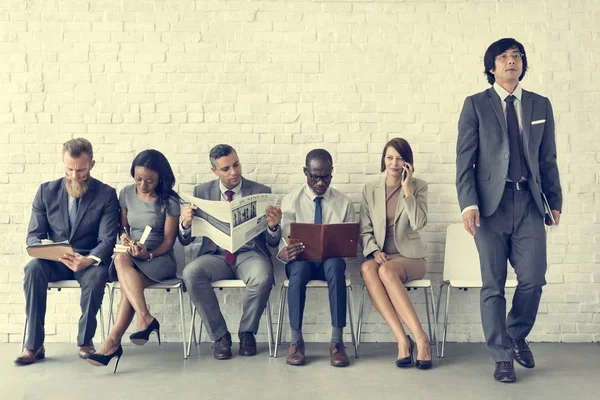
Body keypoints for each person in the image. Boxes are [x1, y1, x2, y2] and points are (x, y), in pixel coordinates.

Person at [456, 38, 562, 383]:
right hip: (490, 208)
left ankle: (516, 333)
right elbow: (465, 161)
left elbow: (548, 158)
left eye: (516, 56)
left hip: (529, 203)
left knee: (533, 279)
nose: (511, 61)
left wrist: (554, 200)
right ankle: (501, 357)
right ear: (492, 67)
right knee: (494, 285)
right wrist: (468, 204)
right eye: (503, 57)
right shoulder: (475, 105)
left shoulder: (540, 105)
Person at [15, 138, 119, 366]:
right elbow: (33, 235)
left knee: (98, 276)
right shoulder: (46, 191)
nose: (74, 175)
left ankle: (85, 342)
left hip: (87, 259)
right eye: (69, 169)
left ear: (91, 164)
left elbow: (107, 239)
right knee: (33, 269)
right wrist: (47, 249)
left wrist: (89, 259)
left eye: (80, 170)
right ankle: (33, 345)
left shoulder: (107, 194)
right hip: (56, 259)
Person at [179, 144, 282, 360]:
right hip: (216, 255)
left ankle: (247, 333)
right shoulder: (201, 192)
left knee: (262, 276)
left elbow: (272, 243)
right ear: (214, 171)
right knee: (191, 273)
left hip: (250, 254)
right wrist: (186, 224)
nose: (233, 172)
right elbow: (186, 240)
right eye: (226, 169)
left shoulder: (261, 191)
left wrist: (273, 226)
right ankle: (220, 337)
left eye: (236, 165)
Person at [86, 150, 181, 372]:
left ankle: (111, 343)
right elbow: (123, 227)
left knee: (127, 287)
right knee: (121, 259)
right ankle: (144, 318)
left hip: (159, 258)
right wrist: (125, 238)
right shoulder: (126, 194)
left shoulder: (170, 200)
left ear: (161, 179)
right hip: (131, 255)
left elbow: (168, 242)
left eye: (150, 180)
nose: (143, 185)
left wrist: (148, 254)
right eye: (138, 178)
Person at [278, 149, 356, 367]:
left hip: (330, 263)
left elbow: (350, 243)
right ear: (305, 172)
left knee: (335, 265)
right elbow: (283, 242)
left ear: (332, 173)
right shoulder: (291, 201)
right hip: (301, 262)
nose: (321, 182)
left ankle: (337, 343)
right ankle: (296, 342)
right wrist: (284, 253)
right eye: (315, 176)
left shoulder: (344, 203)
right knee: (299, 269)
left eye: (326, 177)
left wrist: (343, 247)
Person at [359, 138, 432, 369]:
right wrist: (374, 250)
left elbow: (419, 223)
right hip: (382, 255)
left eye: (399, 158)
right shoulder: (369, 189)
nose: (394, 163)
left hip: (411, 257)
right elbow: (364, 228)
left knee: (387, 271)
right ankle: (402, 339)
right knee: (367, 268)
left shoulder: (419, 186)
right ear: (383, 159)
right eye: (389, 157)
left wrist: (407, 189)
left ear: (407, 162)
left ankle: (421, 339)